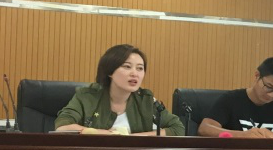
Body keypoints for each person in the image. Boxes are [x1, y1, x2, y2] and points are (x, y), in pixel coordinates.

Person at [54, 44, 184, 135]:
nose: (135, 74)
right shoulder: (87, 96)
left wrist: (134, 138)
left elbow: (178, 129)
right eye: (127, 67)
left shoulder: (146, 100)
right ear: (110, 71)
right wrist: (108, 135)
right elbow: (62, 127)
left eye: (140, 68)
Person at [198, 57, 273, 139]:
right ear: (257, 76)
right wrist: (243, 135)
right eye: (269, 87)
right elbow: (205, 128)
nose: (271, 95)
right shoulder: (231, 99)